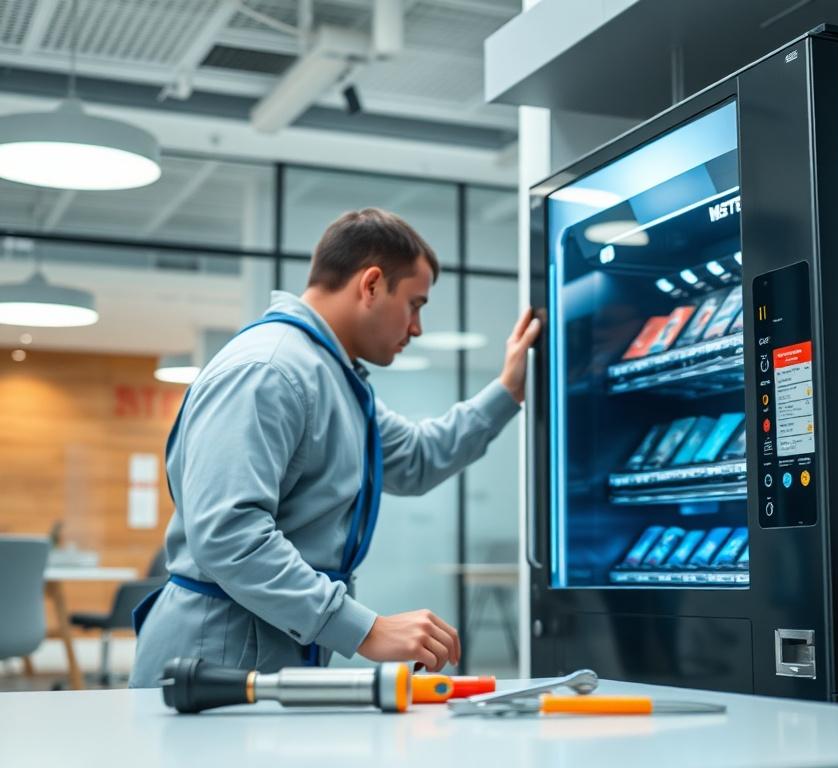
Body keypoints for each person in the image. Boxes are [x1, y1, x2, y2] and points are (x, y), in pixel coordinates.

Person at [129, 208, 540, 687]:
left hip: (265, 646)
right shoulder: (270, 369)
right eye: (415, 304)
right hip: (215, 657)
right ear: (370, 285)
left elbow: (417, 460)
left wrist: (508, 390)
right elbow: (228, 532)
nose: (417, 327)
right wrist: (364, 629)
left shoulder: (335, 381)